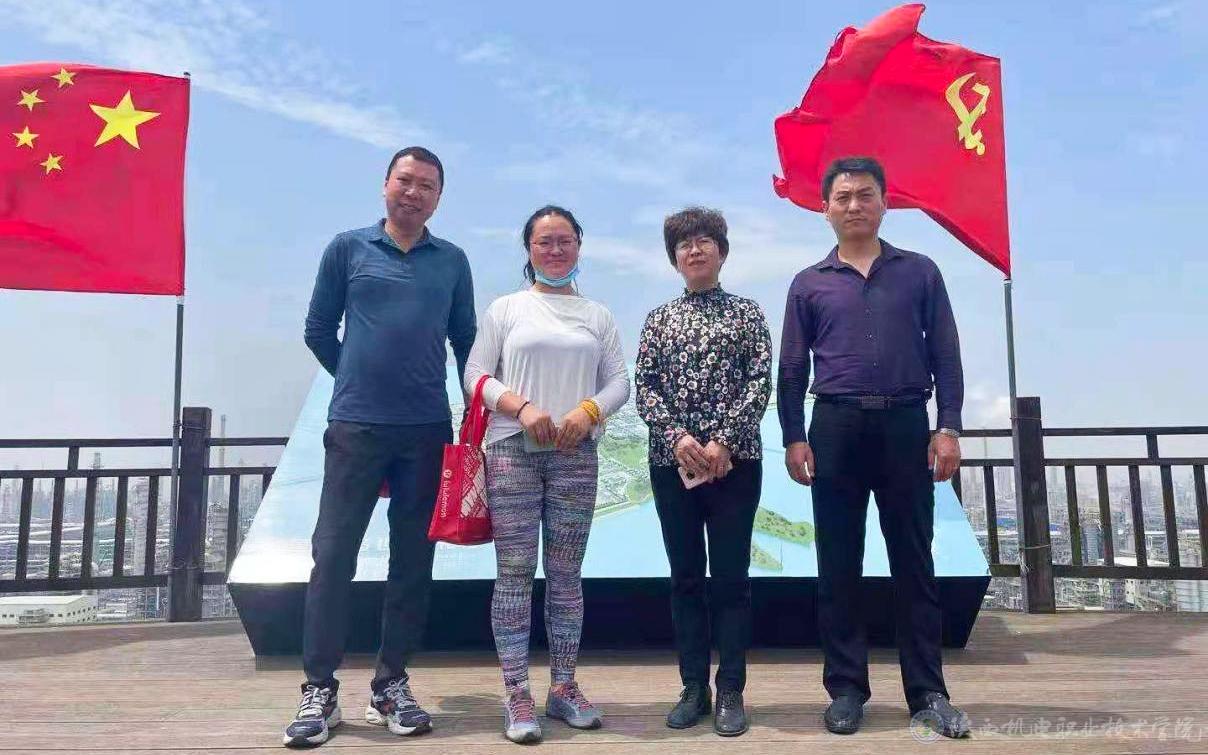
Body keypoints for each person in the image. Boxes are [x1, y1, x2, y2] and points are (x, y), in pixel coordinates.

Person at [284, 147, 476, 748]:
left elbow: (466, 341)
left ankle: (391, 684)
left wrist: (475, 416)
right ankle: (319, 689)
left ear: (439, 197)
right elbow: (318, 329)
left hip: (426, 429)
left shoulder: (453, 261)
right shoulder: (347, 249)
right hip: (356, 427)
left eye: (427, 185)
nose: (414, 193)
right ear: (386, 185)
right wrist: (355, 378)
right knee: (332, 554)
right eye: (405, 181)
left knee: (412, 562)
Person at [777, 156, 971, 739]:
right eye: (843, 197)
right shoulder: (809, 282)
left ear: (885, 202)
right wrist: (794, 436)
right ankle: (846, 689)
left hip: (906, 424)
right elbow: (792, 369)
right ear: (825, 209)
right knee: (838, 563)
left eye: (865, 195)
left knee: (914, 560)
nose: (854, 205)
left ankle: (928, 691)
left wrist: (949, 427)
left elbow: (945, 352)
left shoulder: (920, 272)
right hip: (835, 426)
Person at [463, 205, 630, 744]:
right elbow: (474, 374)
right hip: (511, 450)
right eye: (544, 241)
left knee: (565, 574)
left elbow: (619, 382)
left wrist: (589, 411)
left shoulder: (597, 315)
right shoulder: (506, 309)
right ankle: (516, 692)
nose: (555, 250)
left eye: (565, 240)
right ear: (529, 249)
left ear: (579, 245)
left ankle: (563, 686)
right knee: (514, 572)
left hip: (575, 453)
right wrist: (521, 408)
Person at [635, 207, 772, 737]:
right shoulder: (658, 319)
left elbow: (759, 382)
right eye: (684, 245)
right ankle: (694, 687)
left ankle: (731, 688)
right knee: (686, 578)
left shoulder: (748, 313)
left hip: (736, 464)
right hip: (673, 466)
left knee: (732, 580)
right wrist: (680, 438)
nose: (694, 251)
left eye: (704, 242)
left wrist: (723, 441)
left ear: (721, 251)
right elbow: (646, 388)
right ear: (674, 258)